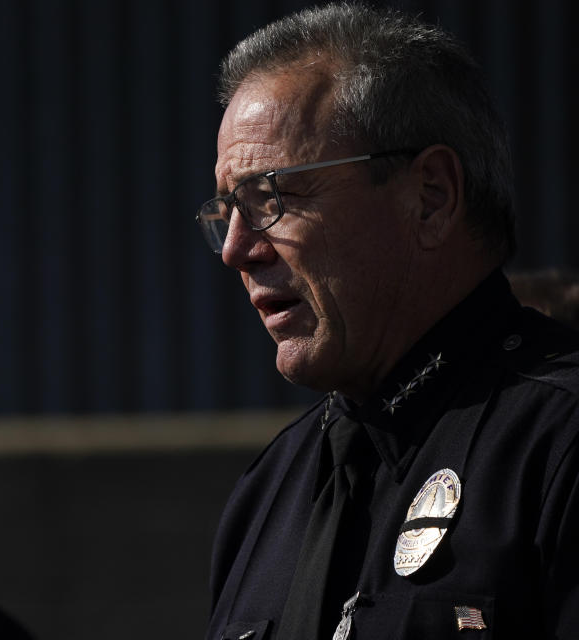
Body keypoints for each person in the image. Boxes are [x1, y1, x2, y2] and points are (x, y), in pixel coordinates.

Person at [196, 3, 578, 639]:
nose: (237, 248)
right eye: (228, 210)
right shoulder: (267, 492)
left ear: (430, 196)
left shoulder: (555, 449)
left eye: (273, 197)